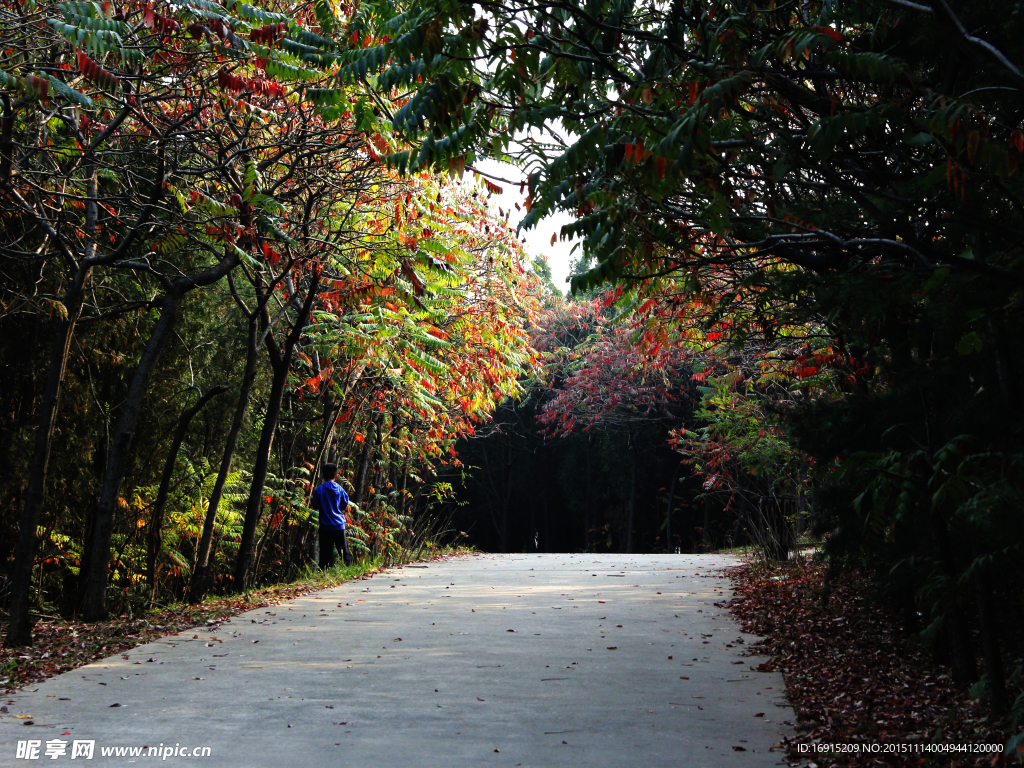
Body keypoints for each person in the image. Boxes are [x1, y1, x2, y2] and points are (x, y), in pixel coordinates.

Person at [310, 463, 353, 569]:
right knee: (343, 550)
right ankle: (348, 570)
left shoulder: (319, 490)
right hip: (339, 525)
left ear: (323, 475)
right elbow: (344, 504)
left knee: (325, 553)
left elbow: (315, 504)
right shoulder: (340, 489)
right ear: (336, 476)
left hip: (325, 526)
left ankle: (324, 573)